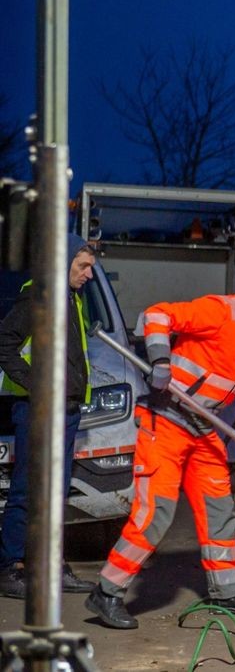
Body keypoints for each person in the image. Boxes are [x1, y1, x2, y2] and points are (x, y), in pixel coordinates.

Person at [84, 265, 235, 629]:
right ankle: (107, 592)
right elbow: (155, 315)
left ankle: (227, 591)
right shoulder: (220, 311)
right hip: (167, 421)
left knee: (220, 510)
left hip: (205, 429)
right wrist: (160, 360)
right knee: (155, 514)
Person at [0, 233, 99, 598]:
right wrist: (35, 383)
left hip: (67, 411)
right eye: (83, 266)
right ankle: (11, 568)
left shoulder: (72, 298)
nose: (89, 274)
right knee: (29, 491)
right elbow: (4, 341)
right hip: (41, 412)